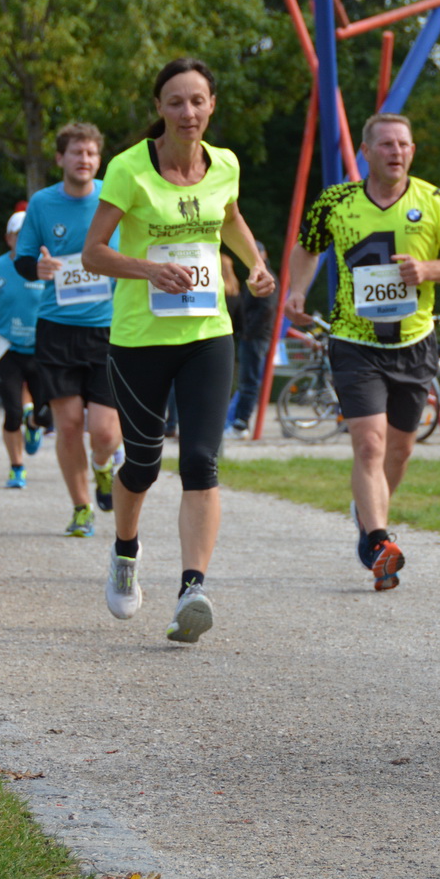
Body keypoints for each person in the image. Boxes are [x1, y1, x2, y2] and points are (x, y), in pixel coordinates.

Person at [83, 58, 275, 642]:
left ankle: (192, 588)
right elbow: (93, 253)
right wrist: (147, 269)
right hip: (140, 338)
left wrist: (256, 264)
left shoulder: (226, 164)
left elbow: (232, 219)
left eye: (197, 101)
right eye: (174, 102)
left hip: (207, 334)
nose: (187, 113)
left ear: (212, 104)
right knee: (142, 464)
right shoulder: (128, 169)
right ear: (159, 108)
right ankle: (124, 551)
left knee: (200, 461)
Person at [286, 113, 440, 592]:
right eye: (386, 144)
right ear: (366, 152)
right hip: (355, 341)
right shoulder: (336, 202)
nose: (397, 151)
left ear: (412, 151)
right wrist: (296, 291)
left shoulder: (434, 201)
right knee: (368, 443)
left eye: (404, 144)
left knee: (399, 449)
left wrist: (427, 270)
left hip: (414, 342)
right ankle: (377, 541)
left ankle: (368, 511)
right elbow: (308, 247)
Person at [15, 122, 124, 537]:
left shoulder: (113, 198)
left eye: (92, 154)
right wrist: (37, 267)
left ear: (99, 160)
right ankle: (81, 508)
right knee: (69, 426)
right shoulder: (41, 204)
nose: (85, 160)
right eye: (77, 153)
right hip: (56, 328)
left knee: (103, 431)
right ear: (60, 158)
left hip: (107, 328)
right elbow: (23, 258)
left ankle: (102, 467)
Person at [0, 210, 50, 488]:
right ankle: (17, 467)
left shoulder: (48, 266)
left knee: (45, 413)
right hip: (5, 348)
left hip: (41, 349)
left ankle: (35, 423)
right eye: (18, 235)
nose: (23, 240)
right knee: (11, 411)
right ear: (8, 238)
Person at [224, 241, 273, 440]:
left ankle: (240, 425)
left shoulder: (265, 277)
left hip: (256, 337)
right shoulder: (254, 276)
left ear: (264, 254)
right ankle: (239, 423)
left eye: (256, 252)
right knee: (246, 381)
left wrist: (248, 332)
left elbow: (267, 309)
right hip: (253, 335)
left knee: (249, 382)